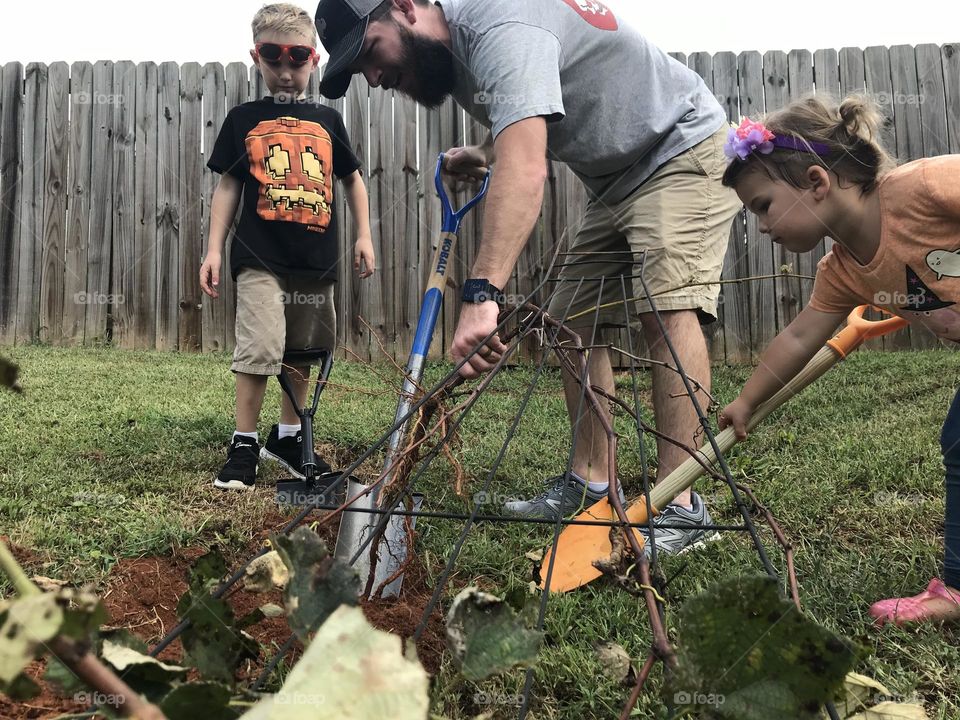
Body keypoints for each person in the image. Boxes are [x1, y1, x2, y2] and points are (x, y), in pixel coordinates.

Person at [312, 0, 742, 555]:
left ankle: (681, 506)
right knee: (570, 324)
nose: (373, 78)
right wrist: (482, 151)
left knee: (666, 308)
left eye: (371, 52)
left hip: (679, 146)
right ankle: (589, 484)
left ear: (404, 7)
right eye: (358, 72)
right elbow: (527, 113)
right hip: (614, 181)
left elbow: (528, 165)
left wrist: (483, 291)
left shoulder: (501, 22)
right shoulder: (464, 48)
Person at [718, 95, 960, 625]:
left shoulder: (921, 188)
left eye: (762, 205)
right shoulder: (843, 271)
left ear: (815, 182)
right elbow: (802, 335)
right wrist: (746, 400)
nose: (761, 227)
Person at [200, 2, 375, 491]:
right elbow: (229, 188)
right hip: (259, 257)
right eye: (272, 58)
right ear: (256, 57)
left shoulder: (328, 121)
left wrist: (364, 235)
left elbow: (353, 181)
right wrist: (214, 250)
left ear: (314, 60)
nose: (284, 70)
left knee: (304, 348)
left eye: (296, 58)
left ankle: (289, 436)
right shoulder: (243, 119)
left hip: (317, 262)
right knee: (259, 345)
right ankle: (244, 442)